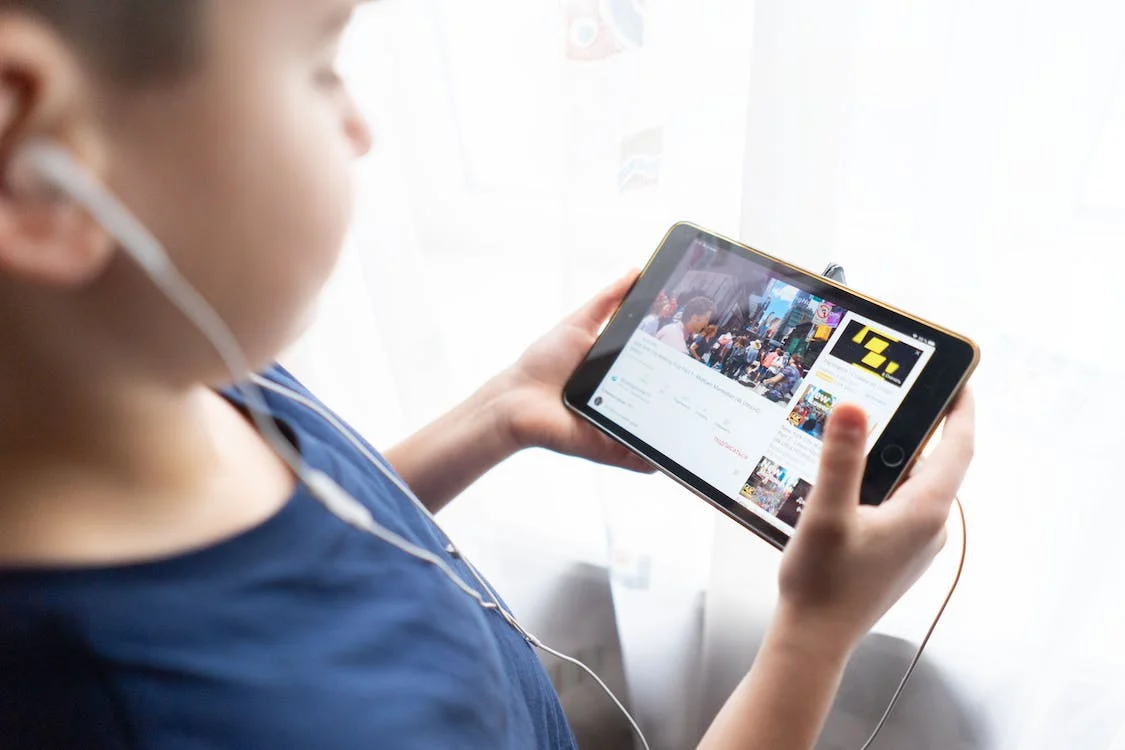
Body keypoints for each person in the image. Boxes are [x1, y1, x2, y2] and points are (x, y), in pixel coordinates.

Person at [0, 2, 976, 749]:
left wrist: (497, 413)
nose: (362, 130)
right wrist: (815, 635)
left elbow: (309, 529)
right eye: (318, 68)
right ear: (34, 167)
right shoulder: (243, 720)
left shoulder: (153, 365)